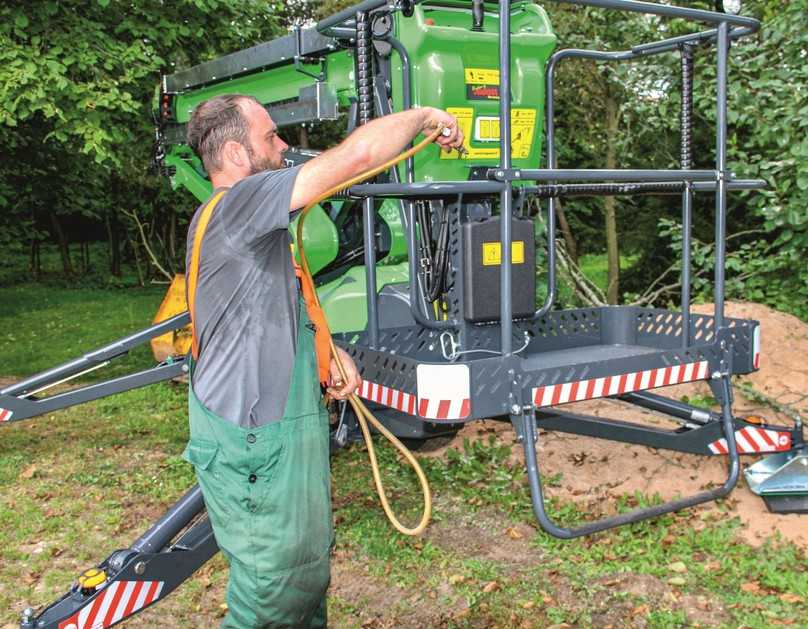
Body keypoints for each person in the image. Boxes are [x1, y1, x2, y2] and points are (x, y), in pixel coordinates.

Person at [181, 94, 463, 628]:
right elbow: (356, 158)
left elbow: (267, 304)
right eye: (271, 136)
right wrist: (425, 116)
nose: (283, 145)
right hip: (256, 438)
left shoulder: (248, 227)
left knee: (304, 584)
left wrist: (326, 352)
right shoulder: (240, 203)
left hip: (272, 432)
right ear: (237, 153)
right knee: (273, 595)